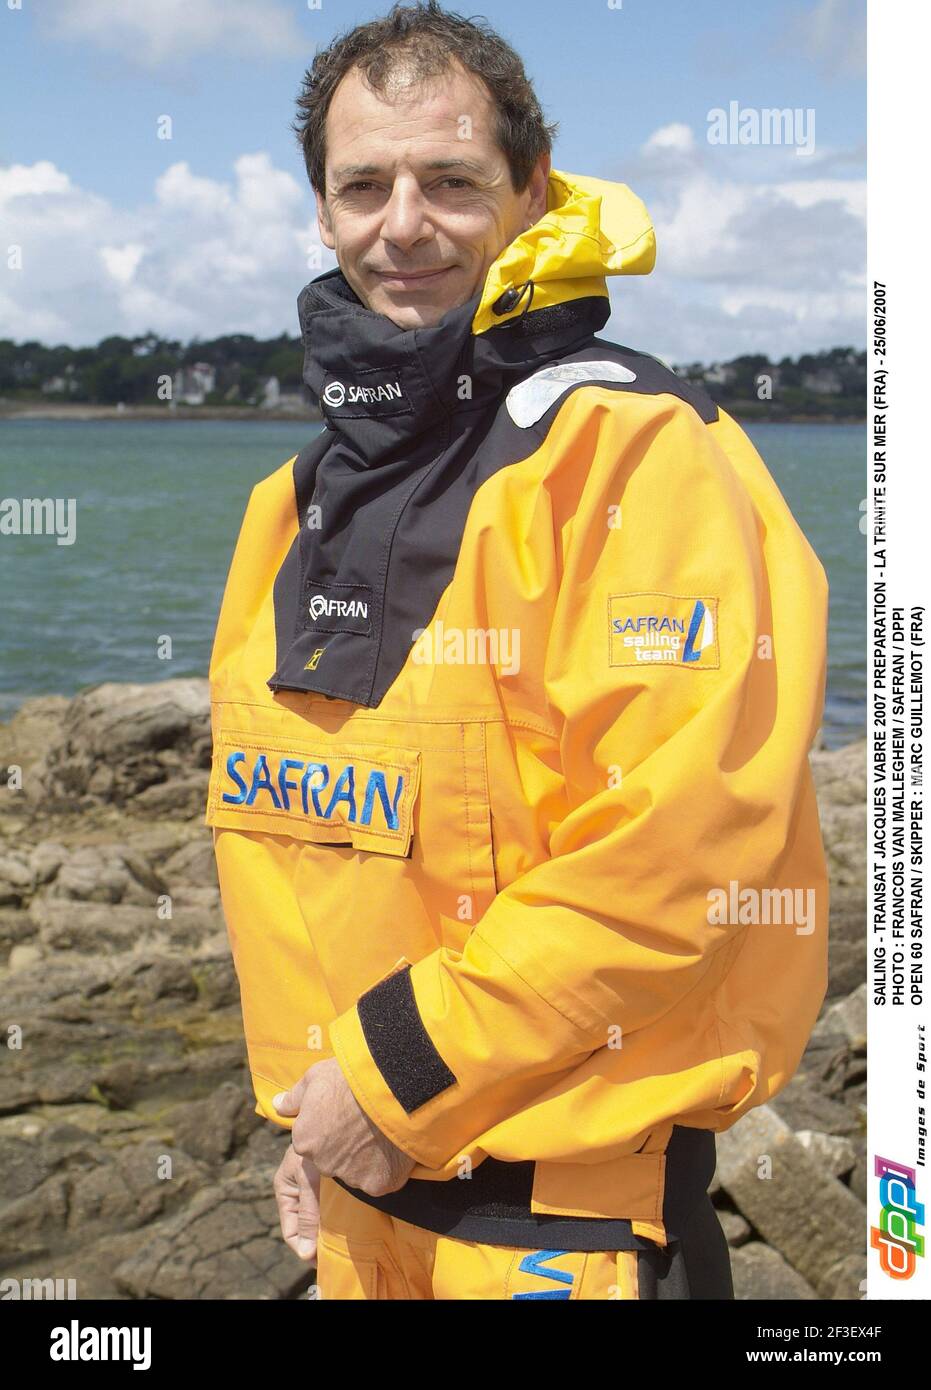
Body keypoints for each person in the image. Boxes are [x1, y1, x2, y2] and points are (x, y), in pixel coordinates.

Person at [205, 0, 830, 1301]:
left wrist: (384, 1079)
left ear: (531, 190)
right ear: (321, 214)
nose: (402, 224)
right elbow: (305, 858)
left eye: (450, 180)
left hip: (567, 1238)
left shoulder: (635, 453)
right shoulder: (289, 502)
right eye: (362, 185)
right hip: (354, 1207)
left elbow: (678, 852)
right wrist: (320, 1120)